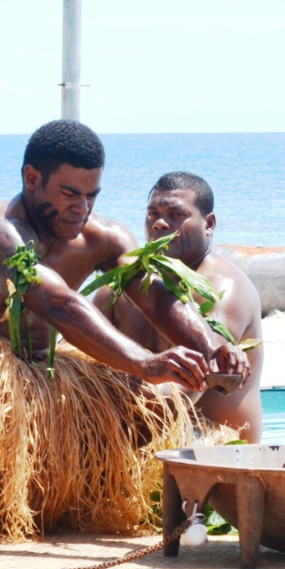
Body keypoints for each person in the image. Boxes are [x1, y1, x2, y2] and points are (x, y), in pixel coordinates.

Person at [0, 120, 249, 547]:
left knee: (151, 406)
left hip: (43, 375)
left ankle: (65, 499)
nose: (82, 208)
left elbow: (156, 295)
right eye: (70, 194)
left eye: (92, 195)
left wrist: (212, 346)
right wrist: (145, 362)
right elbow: (57, 303)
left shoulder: (104, 237)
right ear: (32, 179)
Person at [93, 171, 264, 442]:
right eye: (152, 215)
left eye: (176, 215)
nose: (160, 223)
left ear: (208, 224)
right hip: (136, 445)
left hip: (214, 453)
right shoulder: (120, 288)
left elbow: (190, 387)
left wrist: (94, 404)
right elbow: (85, 350)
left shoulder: (222, 289)